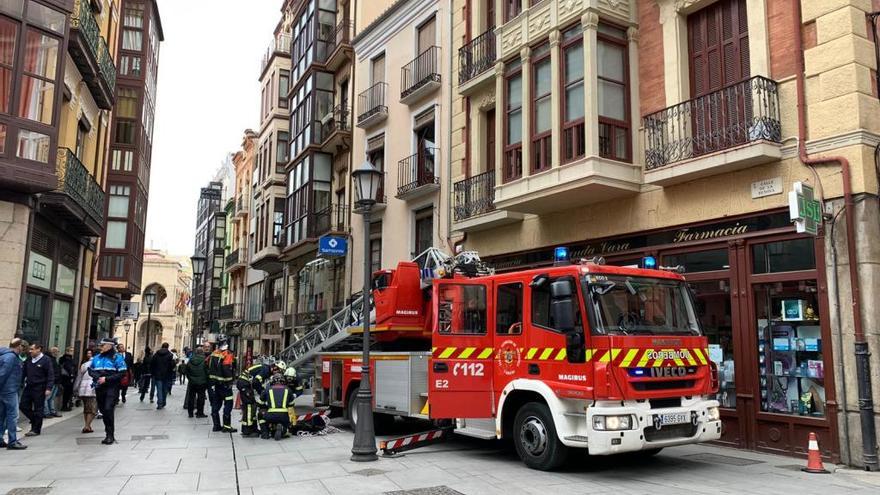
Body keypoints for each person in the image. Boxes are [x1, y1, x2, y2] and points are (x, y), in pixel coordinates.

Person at [88, 338, 127, 445]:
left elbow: (122, 373)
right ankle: (108, 432)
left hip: (112, 387)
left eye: (103, 345)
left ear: (110, 346)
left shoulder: (117, 358)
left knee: (108, 408)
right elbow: (90, 370)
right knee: (103, 410)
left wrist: (107, 379)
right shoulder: (96, 358)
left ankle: (110, 435)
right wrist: (98, 377)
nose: (101, 347)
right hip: (100, 387)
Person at [20, 343, 54, 437]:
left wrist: (48, 388)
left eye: (32, 349)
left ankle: (36, 429)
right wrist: (21, 383)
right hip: (29, 386)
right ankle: (34, 420)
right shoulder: (29, 359)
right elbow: (24, 372)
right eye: (30, 349)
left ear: (39, 349)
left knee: (38, 408)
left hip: (40, 387)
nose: (30, 351)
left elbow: (50, 375)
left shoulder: (46, 360)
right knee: (23, 405)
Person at [236, 358, 273, 437]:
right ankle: (248, 430)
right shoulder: (266, 370)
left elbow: (256, 382)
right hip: (244, 384)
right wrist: (262, 392)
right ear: (274, 368)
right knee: (250, 406)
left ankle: (252, 428)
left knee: (251, 406)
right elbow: (256, 382)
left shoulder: (265, 368)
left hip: (244, 384)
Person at [0, 338, 26, 450]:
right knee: (12, 415)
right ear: (19, 346)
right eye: (22, 347)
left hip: (6, 390)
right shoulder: (10, 357)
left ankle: (0, 439)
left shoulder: (6, 355)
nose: (23, 350)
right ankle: (12, 441)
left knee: (2, 416)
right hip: (9, 390)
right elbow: (3, 374)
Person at [208, 339, 236, 432]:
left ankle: (216, 426)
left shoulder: (214, 353)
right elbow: (226, 368)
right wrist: (230, 381)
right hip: (225, 385)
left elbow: (207, 364)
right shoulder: (227, 354)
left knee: (216, 404)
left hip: (216, 385)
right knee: (228, 404)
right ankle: (226, 427)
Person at [258, 373, 295, 440]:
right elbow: (291, 404)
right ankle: (283, 429)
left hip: (271, 415)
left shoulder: (267, 389)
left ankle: (265, 433)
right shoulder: (288, 389)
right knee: (286, 425)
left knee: (260, 414)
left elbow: (260, 403)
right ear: (283, 381)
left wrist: (266, 408)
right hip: (284, 416)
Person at [73, 349, 96, 434]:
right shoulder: (98, 364)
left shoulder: (83, 365)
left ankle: (88, 425)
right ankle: (87, 426)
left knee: (86, 408)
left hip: (83, 389)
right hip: (92, 388)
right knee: (93, 409)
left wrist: (76, 388)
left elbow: (79, 377)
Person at [183, 348, 209, 418]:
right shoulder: (205, 360)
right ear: (202, 352)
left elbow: (187, 371)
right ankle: (199, 413)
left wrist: (190, 378)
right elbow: (207, 371)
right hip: (202, 382)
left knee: (191, 397)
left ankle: (190, 413)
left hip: (192, 382)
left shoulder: (191, 360)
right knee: (201, 397)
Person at [150, 343, 175, 409]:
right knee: (165, 390)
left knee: (159, 389)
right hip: (167, 375)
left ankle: (159, 403)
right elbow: (172, 365)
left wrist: (153, 373)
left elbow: (152, 364)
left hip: (157, 374)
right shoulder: (170, 355)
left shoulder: (156, 354)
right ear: (167, 347)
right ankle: (163, 401)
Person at [44, 346, 62, 418]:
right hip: (52, 381)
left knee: (51, 398)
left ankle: (51, 411)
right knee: (47, 398)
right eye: (57, 351)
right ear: (53, 352)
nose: (58, 353)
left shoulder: (53, 359)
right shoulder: (50, 360)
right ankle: (46, 412)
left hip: (56, 381)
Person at [58, 347, 76, 412]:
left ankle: (66, 405)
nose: (72, 352)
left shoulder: (69, 358)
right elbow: (69, 368)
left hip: (67, 378)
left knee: (68, 393)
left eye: (72, 350)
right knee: (67, 393)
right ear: (67, 351)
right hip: (66, 378)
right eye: (70, 350)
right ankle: (64, 406)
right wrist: (72, 375)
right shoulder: (66, 358)